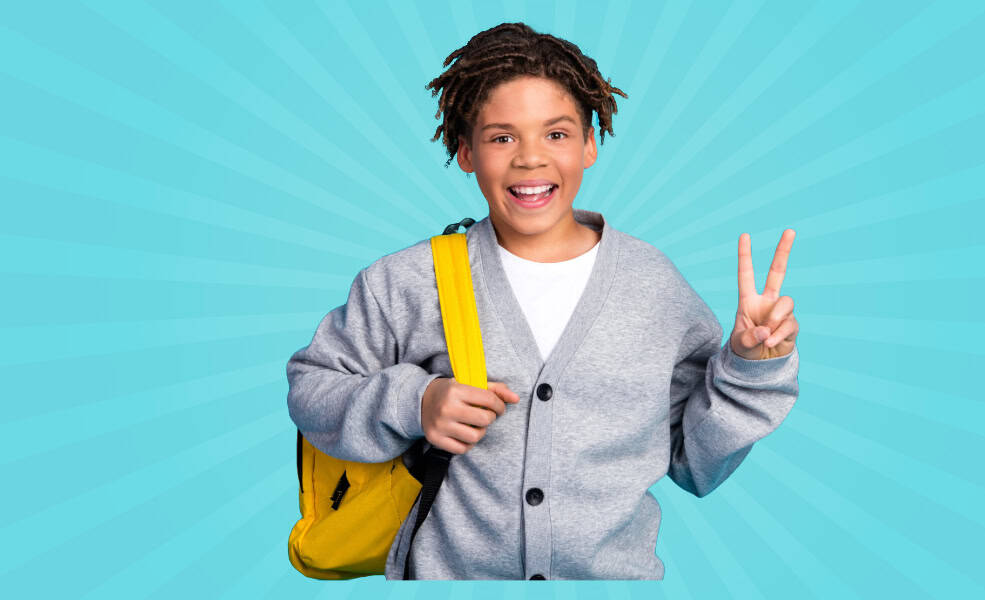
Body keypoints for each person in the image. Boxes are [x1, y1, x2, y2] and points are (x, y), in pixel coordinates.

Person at [286, 22, 800, 581]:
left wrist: (751, 367)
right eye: (502, 137)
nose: (531, 159)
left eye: (555, 134)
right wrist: (417, 402)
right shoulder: (409, 281)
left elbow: (694, 463)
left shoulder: (653, 286)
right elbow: (313, 389)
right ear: (465, 152)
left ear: (589, 145)